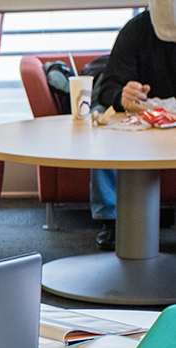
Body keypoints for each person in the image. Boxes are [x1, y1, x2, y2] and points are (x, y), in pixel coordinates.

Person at [91, 0, 176, 250]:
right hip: (141, 118)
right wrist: (123, 96)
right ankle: (112, 218)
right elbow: (108, 87)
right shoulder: (136, 31)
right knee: (101, 123)